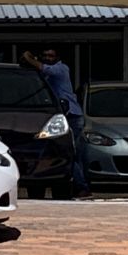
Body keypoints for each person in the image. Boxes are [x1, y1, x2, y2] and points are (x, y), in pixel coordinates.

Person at [21, 47, 92, 199]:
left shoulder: (60, 69)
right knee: (71, 154)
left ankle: (81, 186)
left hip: (71, 115)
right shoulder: (44, 75)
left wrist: (29, 57)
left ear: (57, 57)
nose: (47, 57)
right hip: (60, 115)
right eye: (45, 55)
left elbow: (38, 66)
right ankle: (78, 185)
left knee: (67, 153)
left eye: (51, 55)